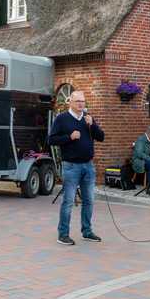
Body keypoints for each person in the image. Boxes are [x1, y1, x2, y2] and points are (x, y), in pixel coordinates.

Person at [49, 90, 105, 246]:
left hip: (88, 165)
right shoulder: (61, 119)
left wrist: (92, 125)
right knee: (68, 200)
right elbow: (51, 139)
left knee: (89, 201)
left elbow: (101, 137)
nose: (81, 104)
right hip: (71, 165)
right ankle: (63, 234)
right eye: (78, 101)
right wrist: (69, 137)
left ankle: (86, 231)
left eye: (83, 101)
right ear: (70, 103)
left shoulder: (88, 118)